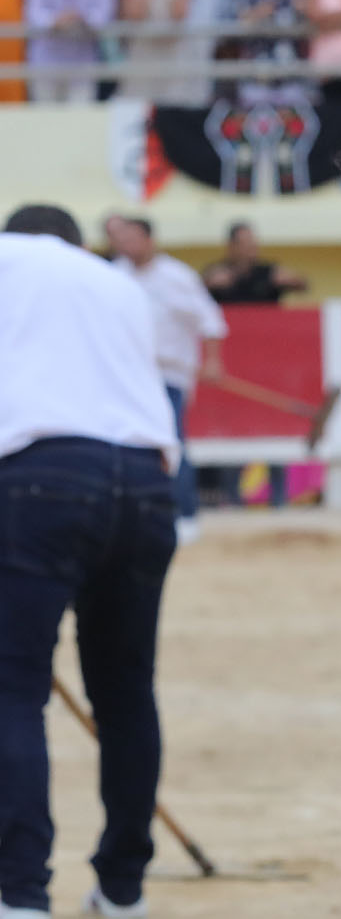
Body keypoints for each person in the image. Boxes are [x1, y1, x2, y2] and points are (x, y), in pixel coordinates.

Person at [0, 203, 180, 919]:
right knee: (127, 691)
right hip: (144, 480)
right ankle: (123, 887)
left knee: (12, 690)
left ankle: (18, 893)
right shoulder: (120, 284)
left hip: (40, 476)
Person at [106, 214, 226, 547]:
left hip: (170, 374)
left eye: (132, 238)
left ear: (149, 239)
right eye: (122, 239)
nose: (126, 245)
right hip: (127, 376)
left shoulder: (177, 277)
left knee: (171, 443)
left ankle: (185, 515)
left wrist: (213, 361)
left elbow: (210, 321)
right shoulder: (114, 275)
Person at [203, 222, 308, 305]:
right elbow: (195, 295)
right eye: (245, 243)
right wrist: (208, 284)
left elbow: (303, 286)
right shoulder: (217, 272)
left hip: (266, 328)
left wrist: (294, 280)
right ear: (232, 246)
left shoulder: (268, 272)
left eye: (252, 241)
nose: (252, 247)